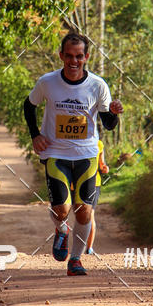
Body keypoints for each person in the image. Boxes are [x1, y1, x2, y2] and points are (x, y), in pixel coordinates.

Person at [23, 32, 123, 276]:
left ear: (86, 57)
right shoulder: (47, 82)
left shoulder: (98, 85)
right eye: (69, 56)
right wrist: (35, 135)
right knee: (61, 210)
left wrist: (114, 113)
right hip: (56, 153)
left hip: (87, 154)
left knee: (84, 210)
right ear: (61, 56)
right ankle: (61, 229)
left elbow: (108, 124)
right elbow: (28, 105)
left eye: (79, 56)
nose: (74, 61)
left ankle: (76, 259)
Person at [86, 137, 108, 256]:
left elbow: (102, 165)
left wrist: (105, 168)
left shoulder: (99, 144)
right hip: (74, 184)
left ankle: (89, 248)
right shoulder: (74, 142)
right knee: (77, 215)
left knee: (90, 215)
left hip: (94, 183)